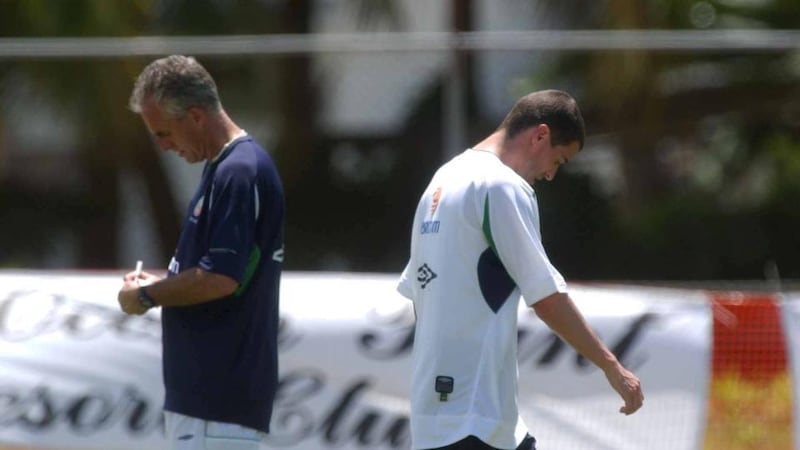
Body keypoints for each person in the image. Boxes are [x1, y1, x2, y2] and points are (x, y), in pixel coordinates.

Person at [397, 89, 644, 450]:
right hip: (473, 415)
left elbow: (419, 290)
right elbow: (545, 296)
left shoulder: (443, 179)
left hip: (437, 411)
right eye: (557, 160)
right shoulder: (502, 186)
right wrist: (611, 366)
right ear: (540, 135)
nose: (549, 175)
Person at [117, 55, 285, 450]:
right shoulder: (225, 167)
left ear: (194, 116)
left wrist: (146, 295)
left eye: (163, 133)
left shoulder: (239, 170)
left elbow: (220, 277)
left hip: (217, 405)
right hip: (210, 406)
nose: (162, 146)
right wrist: (162, 284)